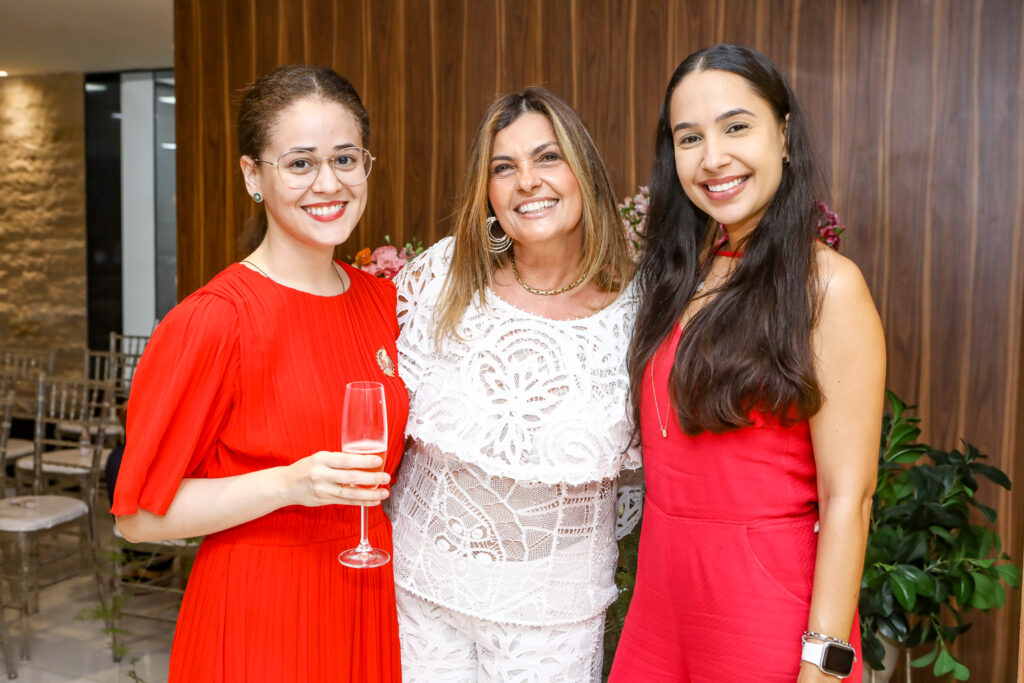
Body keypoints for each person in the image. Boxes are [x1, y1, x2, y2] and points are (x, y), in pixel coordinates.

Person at [111, 65, 408, 683]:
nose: (329, 183)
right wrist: (289, 484)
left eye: (345, 158)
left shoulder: (385, 304)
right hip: (261, 615)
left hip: (367, 601)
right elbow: (137, 519)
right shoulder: (216, 321)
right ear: (254, 176)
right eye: (300, 164)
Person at [610, 43, 884, 682]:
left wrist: (823, 663)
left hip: (764, 619)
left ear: (783, 134)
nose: (713, 158)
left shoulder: (828, 288)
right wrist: (495, 237)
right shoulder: (681, 274)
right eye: (689, 137)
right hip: (659, 609)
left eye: (736, 127)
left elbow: (850, 497)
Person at [389, 86, 639, 682]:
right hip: (418, 595)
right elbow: (378, 411)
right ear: (488, 192)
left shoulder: (642, 308)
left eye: (548, 157)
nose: (527, 181)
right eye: (505, 167)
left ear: (585, 172)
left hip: (554, 615)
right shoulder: (444, 276)